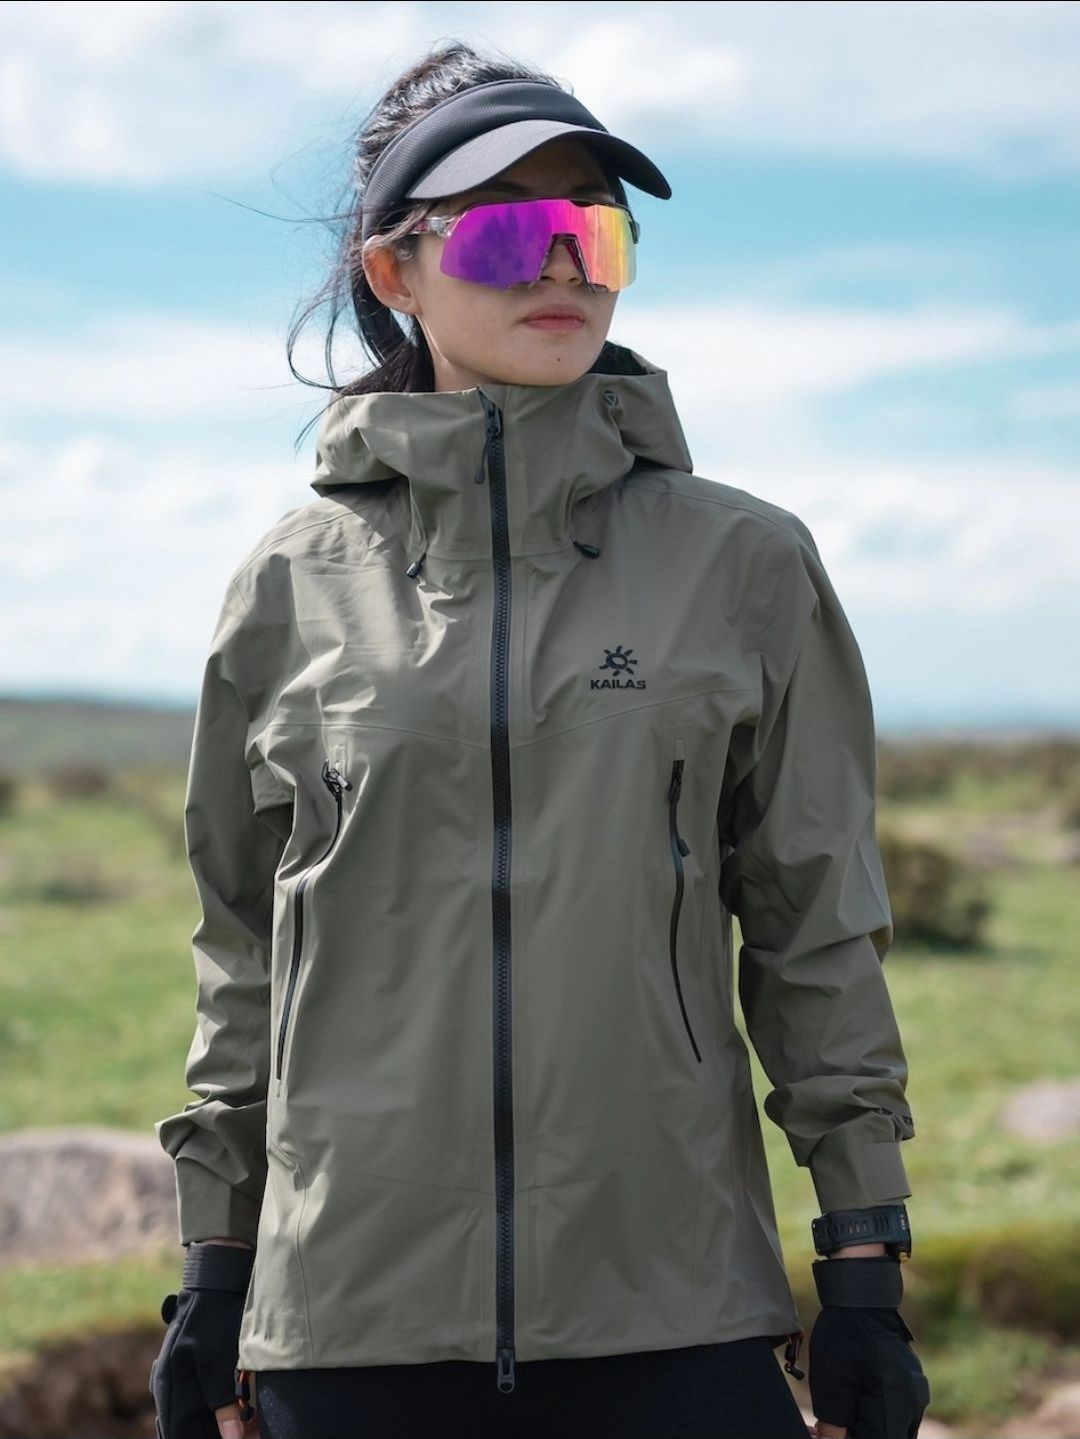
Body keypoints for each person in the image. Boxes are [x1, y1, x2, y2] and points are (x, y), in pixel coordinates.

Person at [148, 40, 931, 1439]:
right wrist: (215, 1266)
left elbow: (816, 927)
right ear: (396, 272)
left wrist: (864, 1263)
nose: (563, 265)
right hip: (353, 1320)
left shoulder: (744, 564)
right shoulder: (287, 585)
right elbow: (243, 951)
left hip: (676, 1307)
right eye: (509, 231)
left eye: (595, 230)